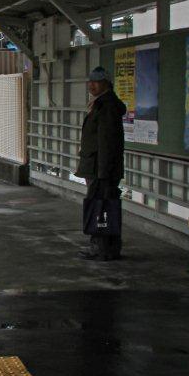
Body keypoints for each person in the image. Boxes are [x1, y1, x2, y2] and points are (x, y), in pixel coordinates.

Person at [76, 66, 127, 261]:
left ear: (106, 83)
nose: (91, 85)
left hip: (101, 169)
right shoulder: (102, 104)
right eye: (90, 81)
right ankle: (107, 247)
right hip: (98, 167)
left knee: (101, 208)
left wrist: (103, 172)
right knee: (104, 206)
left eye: (96, 81)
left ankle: (101, 248)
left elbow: (106, 141)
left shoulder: (106, 107)